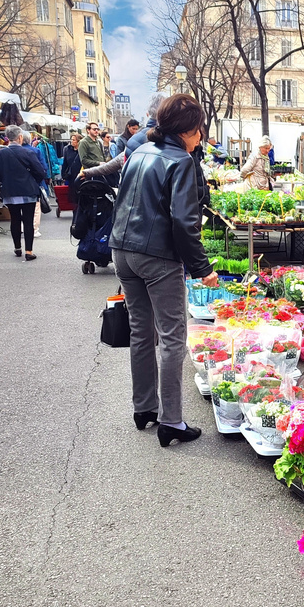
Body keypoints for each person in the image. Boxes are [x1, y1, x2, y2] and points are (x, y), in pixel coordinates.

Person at [110, 94, 218, 447]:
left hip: (123, 250)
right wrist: (203, 269)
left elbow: (123, 200)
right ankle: (171, 420)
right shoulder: (180, 160)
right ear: (188, 129)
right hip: (156, 255)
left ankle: (144, 408)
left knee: (142, 331)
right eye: (198, 128)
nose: (200, 135)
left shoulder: (139, 150)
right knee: (172, 336)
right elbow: (185, 223)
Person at [0, 127, 47, 260]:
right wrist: (33, 181)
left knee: (15, 219)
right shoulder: (28, 152)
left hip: (10, 191)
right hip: (28, 190)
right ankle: (29, 251)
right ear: (20, 137)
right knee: (28, 221)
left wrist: (6, 181)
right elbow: (41, 172)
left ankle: (17, 248)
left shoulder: (0, 154)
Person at [22, 134, 50, 238]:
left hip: (20, 184)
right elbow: (43, 167)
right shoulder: (35, 151)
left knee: (21, 206)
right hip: (35, 183)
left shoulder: (13, 151)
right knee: (36, 207)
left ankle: (22, 226)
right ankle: (34, 229)